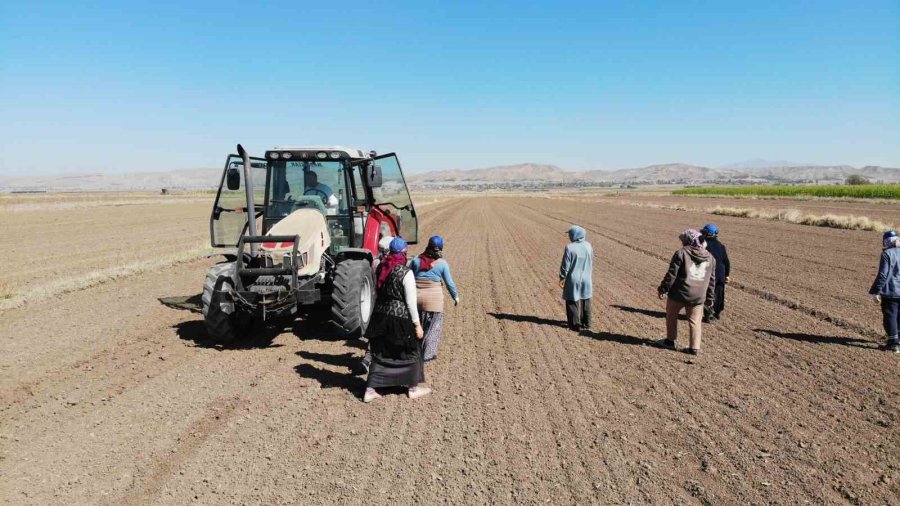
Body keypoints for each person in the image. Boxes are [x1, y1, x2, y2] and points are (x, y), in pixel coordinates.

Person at [363, 238, 430, 402]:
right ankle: (413, 388)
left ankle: (370, 389)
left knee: (380, 351)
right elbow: (410, 302)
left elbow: (376, 292)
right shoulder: (405, 272)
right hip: (399, 318)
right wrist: (417, 324)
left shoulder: (380, 268)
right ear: (404, 252)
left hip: (379, 316)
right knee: (411, 350)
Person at [657, 229, 716, 355]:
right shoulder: (711, 258)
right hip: (698, 297)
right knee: (695, 322)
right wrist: (710, 299)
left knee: (671, 316)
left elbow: (671, 275)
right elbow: (711, 281)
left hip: (679, 293)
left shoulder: (681, 253)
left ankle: (669, 341)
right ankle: (694, 348)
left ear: (687, 240)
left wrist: (663, 289)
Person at [410, 236, 459, 361]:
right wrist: (455, 296)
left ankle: (415, 351)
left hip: (416, 300)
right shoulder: (442, 264)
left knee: (417, 327)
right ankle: (427, 354)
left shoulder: (416, 260)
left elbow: (408, 277)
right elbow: (450, 283)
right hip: (434, 302)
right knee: (432, 329)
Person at [869, 231, 900, 353]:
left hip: (891, 291)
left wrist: (875, 291)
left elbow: (883, 275)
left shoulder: (887, 254)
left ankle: (894, 345)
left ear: (886, 241)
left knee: (890, 316)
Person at [559, 225, 594, 331]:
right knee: (586, 300)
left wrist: (562, 277)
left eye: (570, 234)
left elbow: (565, 265)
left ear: (575, 235)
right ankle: (587, 323)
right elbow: (592, 260)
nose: (569, 236)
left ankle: (575, 325)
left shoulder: (569, 247)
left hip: (573, 279)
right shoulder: (588, 246)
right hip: (587, 278)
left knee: (571, 300)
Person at [700, 224, 730, 323]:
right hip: (721, 273)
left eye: (703, 232)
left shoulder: (703, 245)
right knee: (719, 294)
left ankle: (708, 314)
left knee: (708, 293)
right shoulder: (721, 246)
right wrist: (727, 275)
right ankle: (716, 314)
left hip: (708, 272)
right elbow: (726, 262)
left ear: (707, 234)